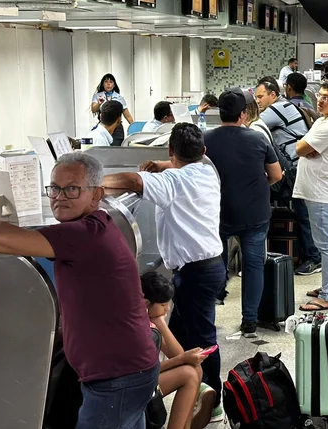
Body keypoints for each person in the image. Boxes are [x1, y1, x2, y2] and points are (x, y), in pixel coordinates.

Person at [0, 152, 159, 429]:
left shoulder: (82, 234)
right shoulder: (98, 224)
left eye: (72, 189)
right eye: (55, 188)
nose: (60, 196)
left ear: (96, 195)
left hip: (116, 378)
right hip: (128, 368)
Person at [102, 123, 226, 422]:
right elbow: (181, 167)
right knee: (181, 337)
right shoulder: (206, 171)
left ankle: (214, 401)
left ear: (171, 151)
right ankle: (191, 388)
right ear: (203, 151)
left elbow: (131, 180)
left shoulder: (172, 180)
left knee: (202, 337)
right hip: (208, 267)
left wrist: (91, 185)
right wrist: (165, 164)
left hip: (196, 272)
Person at [203, 88, 282, 337]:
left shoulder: (206, 140)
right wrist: (256, 186)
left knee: (217, 265)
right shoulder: (258, 139)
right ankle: (249, 320)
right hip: (255, 215)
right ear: (244, 114)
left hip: (220, 214)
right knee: (253, 266)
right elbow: (277, 175)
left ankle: (211, 313)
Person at [257, 80, 323, 276]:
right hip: (298, 165)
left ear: (273, 95)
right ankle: (309, 254)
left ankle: (313, 257)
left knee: (302, 211)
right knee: (302, 210)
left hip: (296, 167)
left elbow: (252, 124)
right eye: (256, 97)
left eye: (261, 97)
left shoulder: (277, 109)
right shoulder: (285, 105)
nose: (258, 101)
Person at [295, 80, 328, 312]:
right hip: (316, 189)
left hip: (321, 192)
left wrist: (308, 149)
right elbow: (308, 148)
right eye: (320, 95)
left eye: (327, 97)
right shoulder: (323, 120)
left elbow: (300, 148)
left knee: (326, 244)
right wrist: (309, 149)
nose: (320, 99)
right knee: (324, 242)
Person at [140, 272, 215, 429]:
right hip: (133, 386)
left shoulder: (150, 323)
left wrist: (160, 323)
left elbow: (177, 354)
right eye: (162, 305)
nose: (167, 309)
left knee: (195, 368)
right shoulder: (137, 328)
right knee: (188, 374)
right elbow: (146, 371)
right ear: (146, 304)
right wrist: (182, 359)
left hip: (145, 380)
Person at [91, 73, 134, 146]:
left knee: (115, 149)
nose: (108, 84)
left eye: (111, 82)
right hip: (104, 125)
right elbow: (93, 110)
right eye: (106, 82)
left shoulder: (119, 97)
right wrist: (99, 103)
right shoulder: (98, 96)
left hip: (117, 128)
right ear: (102, 84)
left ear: (114, 85)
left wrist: (134, 129)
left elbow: (128, 116)